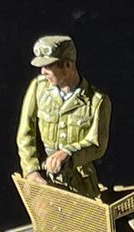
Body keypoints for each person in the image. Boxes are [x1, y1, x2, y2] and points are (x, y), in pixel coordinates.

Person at [16, 35, 111, 199]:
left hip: (81, 185)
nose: (43, 72)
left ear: (67, 65)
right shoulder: (38, 88)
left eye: (48, 66)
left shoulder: (96, 101)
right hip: (46, 182)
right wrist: (31, 170)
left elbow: (97, 145)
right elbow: (26, 133)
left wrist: (68, 153)